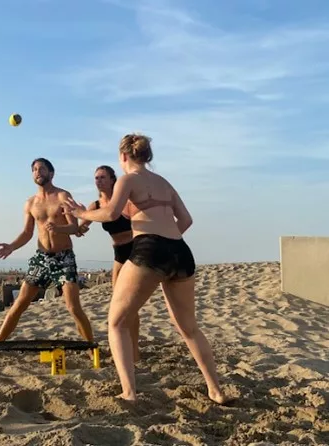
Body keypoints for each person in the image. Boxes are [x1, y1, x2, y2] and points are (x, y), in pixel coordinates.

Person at [63, 134, 229, 405]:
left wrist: (81, 214)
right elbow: (186, 219)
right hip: (180, 251)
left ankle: (129, 393)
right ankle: (216, 390)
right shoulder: (164, 182)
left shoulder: (128, 179)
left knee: (116, 323)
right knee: (189, 328)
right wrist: (166, 237)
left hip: (150, 250)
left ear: (123, 156)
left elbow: (110, 214)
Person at [0, 158, 95, 359]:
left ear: (51, 173)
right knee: (19, 304)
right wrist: (11, 246)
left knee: (73, 307)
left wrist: (58, 228)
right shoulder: (30, 203)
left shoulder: (63, 196)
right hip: (41, 258)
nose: (38, 172)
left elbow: (74, 227)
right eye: (35, 169)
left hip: (64, 258)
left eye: (42, 169)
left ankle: (91, 348)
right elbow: (27, 233)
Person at [76, 165, 141, 362]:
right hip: (118, 253)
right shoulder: (95, 205)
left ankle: (135, 353)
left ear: (113, 179)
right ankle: (123, 347)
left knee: (130, 304)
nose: (99, 181)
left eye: (103, 177)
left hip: (135, 249)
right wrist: (73, 218)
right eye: (96, 178)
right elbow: (80, 229)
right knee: (118, 303)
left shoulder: (125, 200)